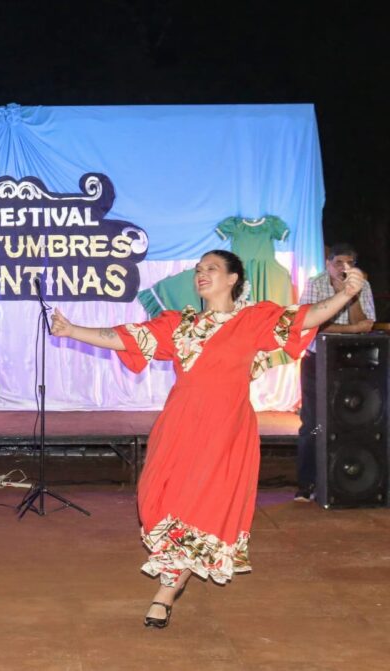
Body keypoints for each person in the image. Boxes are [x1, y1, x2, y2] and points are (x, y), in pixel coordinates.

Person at [50, 249, 366, 628]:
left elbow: (306, 318)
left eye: (211, 269)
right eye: (199, 270)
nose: (202, 275)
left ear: (233, 279)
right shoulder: (180, 325)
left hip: (224, 429)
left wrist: (346, 295)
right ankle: (173, 579)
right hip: (179, 425)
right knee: (156, 501)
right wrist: (72, 331)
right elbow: (127, 338)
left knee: (199, 505)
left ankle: (165, 593)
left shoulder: (253, 320)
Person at [294, 243, 375, 502]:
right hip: (317, 361)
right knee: (314, 424)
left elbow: (365, 324)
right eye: (338, 262)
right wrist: (350, 328)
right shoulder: (315, 284)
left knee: (353, 419)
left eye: (348, 262)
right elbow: (313, 326)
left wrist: (350, 296)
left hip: (352, 365)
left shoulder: (361, 284)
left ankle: (346, 480)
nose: (343, 268)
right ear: (327, 264)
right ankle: (306, 484)